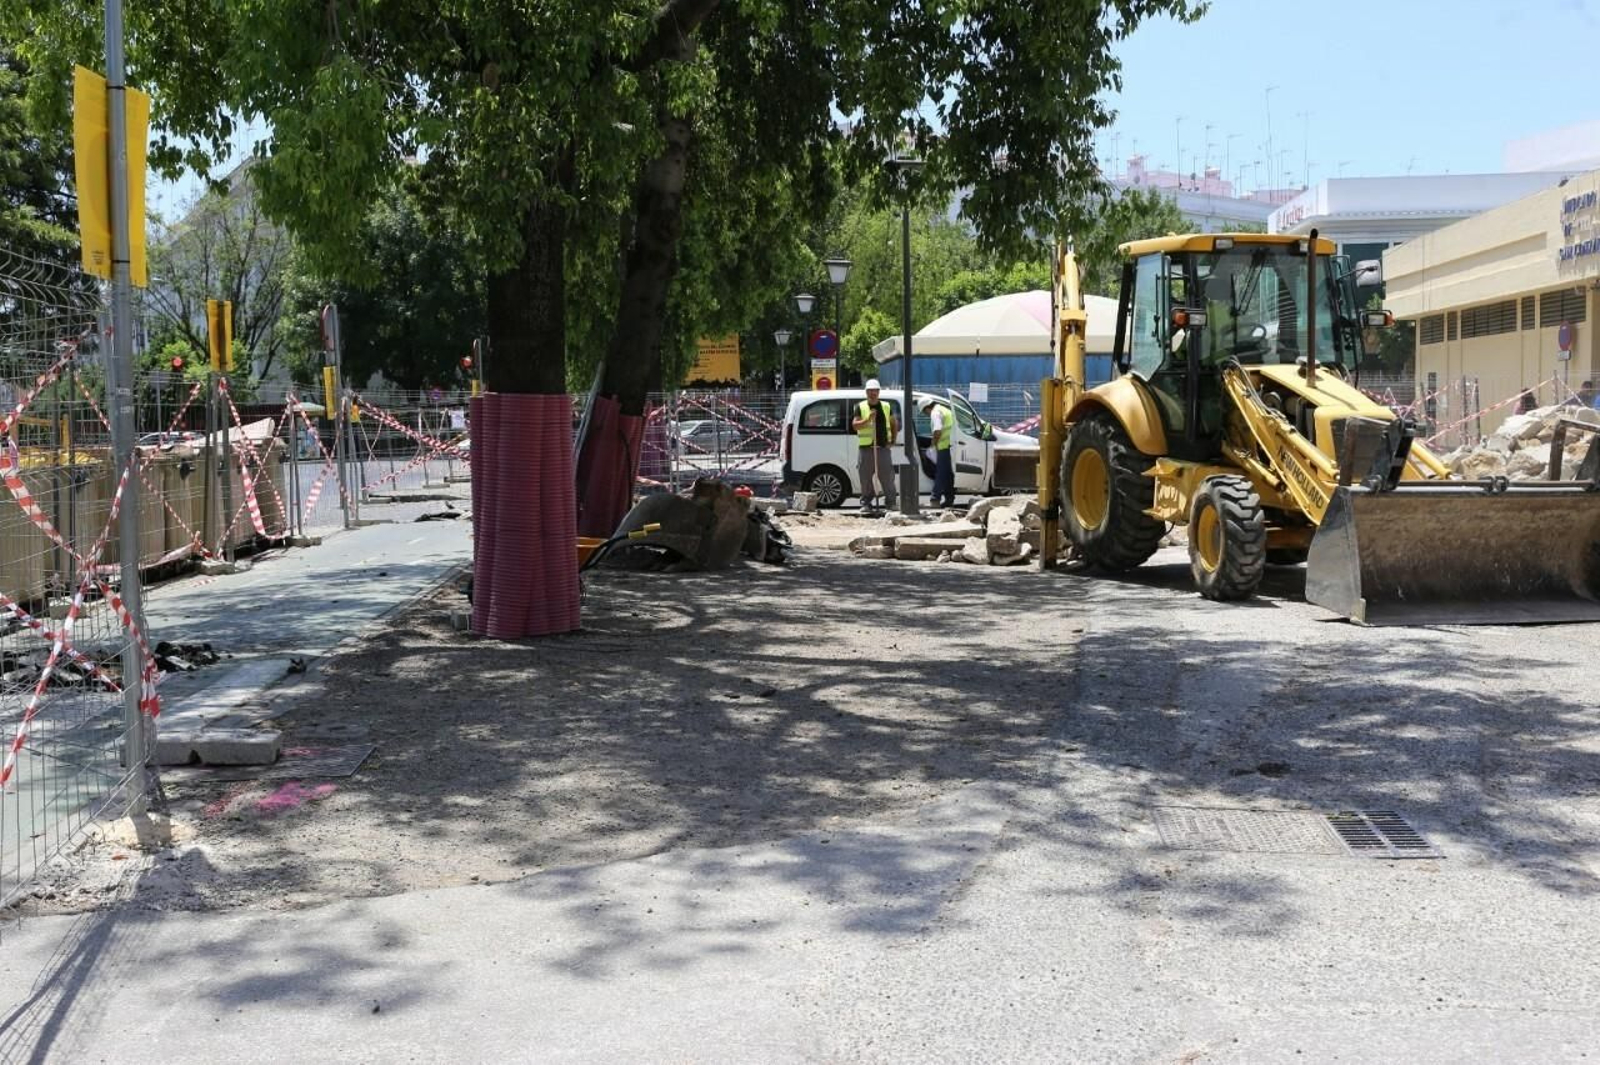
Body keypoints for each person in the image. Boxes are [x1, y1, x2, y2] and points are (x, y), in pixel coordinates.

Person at [852, 379, 898, 514]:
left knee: (887, 477)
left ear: (879, 392)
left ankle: (891, 503)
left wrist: (893, 440)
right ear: (866, 392)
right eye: (870, 391)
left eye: (875, 391)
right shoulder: (860, 407)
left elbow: (894, 423)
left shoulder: (886, 406)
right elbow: (855, 425)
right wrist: (868, 419)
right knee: (865, 477)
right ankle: (866, 503)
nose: (873, 393)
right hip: (866, 448)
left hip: (883, 448)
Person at [922, 397, 956, 508]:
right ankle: (949, 499)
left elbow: (937, 430)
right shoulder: (944, 409)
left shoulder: (935, 413)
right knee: (948, 474)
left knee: (941, 473)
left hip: (944, 446)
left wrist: (933, 443)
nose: (926, 414)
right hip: (951, 445)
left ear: (927, 408)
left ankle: (935, 499)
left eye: (924, 412)